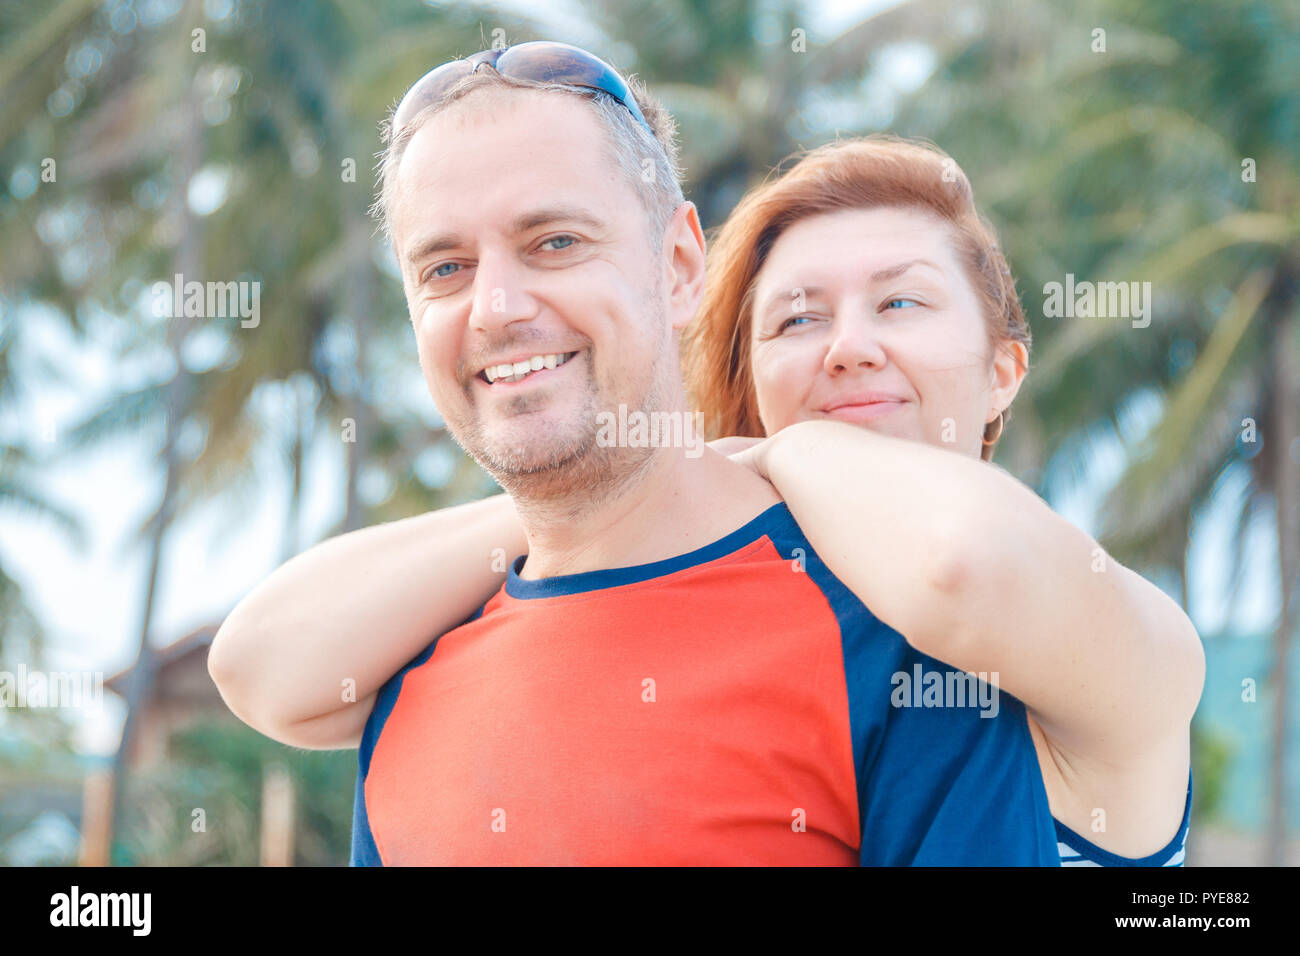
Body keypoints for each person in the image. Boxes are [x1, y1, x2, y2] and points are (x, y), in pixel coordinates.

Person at [208, 43, 1203, 866]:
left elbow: (965, 562)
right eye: (796, 317)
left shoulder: (946, 659)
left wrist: (770, 452)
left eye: (899, 300)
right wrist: (591, 491)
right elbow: (257, 661)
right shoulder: (424, 671)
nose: (846, 347)